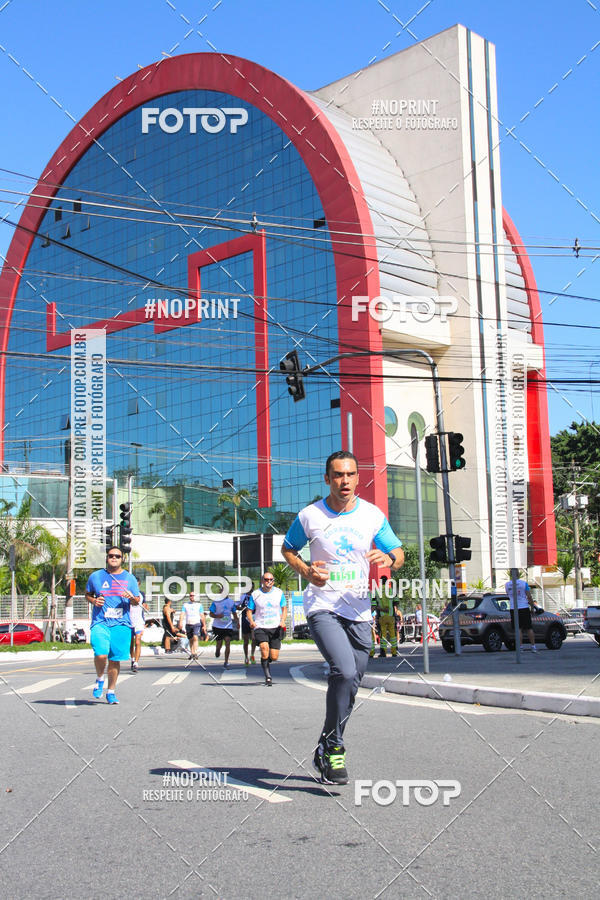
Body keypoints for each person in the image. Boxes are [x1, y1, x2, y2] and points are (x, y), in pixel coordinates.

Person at [282, 450, 403, 785]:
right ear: (327, 479)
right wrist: (307, 570)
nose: (344, 481)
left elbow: (399, 553)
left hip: (360, 609)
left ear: (357, 478)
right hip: (323, 606)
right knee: (344, 670)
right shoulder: (310, 516)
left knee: (353, 680)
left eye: (350, 474)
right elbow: (288, 549)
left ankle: (325, 742)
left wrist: (389, 558)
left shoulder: (372, 516)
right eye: (338, 475)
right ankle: (335, 748)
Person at [86, 546, 141, 704]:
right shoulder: (96, 576)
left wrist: (131, 597)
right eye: (111, 555)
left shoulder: (129, 578)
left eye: (117, 556)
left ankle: (111, 691)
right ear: (107, 557)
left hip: (121, 624)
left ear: (122, 559)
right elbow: (88, 595)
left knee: (114, 659)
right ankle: (99, 678)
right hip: (100, 622)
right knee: (101, 654)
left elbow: (137, 601)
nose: (114, 558)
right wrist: (94, 601)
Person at [246, 572, 287, 685]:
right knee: (264, 649)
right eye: (266, 579)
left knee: (273, 657)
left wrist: (282, 621)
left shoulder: (279, 593)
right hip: (261, 626)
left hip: (275, 626)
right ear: (262, 581)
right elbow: (249, 611)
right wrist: (252, 622)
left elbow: (284, 608)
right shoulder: (256, 594)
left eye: (271, 579)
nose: (269, 581)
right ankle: (268, 677)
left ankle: (266, 660)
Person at [505, 575, 537, 652]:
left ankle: (520, 647)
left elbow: (508, 594)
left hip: (513, 608)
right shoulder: (524, 583)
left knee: (518, 629)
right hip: (524, 607)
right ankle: (533, 646)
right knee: (529, 628)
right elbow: (529, 596)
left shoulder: (507, 584)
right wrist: (532, 607)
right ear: (518, 574)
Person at [209, 594, 239, 669]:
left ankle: (226, 661)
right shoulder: (216, 602)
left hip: (228, 626)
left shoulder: (231, 602)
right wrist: (217, 616)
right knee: (219, 643)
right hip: (218, 626)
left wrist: (237, 622)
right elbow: (211, 613)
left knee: (227, 642)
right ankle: (217, 650)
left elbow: (234, 613)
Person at [179, 591, 207, 659]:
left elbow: (202, 615)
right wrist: (180, 622)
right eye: (190, 595)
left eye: (193, 595)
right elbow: (182, 614)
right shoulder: (185, 605)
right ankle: (192, 653)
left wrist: (204, 625)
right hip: (188, 623)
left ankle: (195, 652)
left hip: (196, 623)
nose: (192, 597)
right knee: (190, 639)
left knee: (195, 637)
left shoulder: (199, 605)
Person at [236, 581, 256, 665]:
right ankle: (246, 657)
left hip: (254, 619)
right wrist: (242, 608)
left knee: (254, 638)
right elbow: (236, 606)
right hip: (245, 619)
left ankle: (252, 655)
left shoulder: (255, 596)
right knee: (246, 640)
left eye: (252, 586)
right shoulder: (243, 596)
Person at [377, 576, 397, 657]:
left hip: (382, 616)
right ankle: (394, 652)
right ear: (387, 582)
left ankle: (383, 652)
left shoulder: (377, 591)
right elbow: (396, 602)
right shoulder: (392, 591)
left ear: (380, 582)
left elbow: (374, 604)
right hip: (391, 616)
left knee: (383, 635)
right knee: (393, 634)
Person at [129, 592, 149, 672]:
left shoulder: (141, 594)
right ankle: (132, 659)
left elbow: (145, 605)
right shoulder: (127, 593)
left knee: (137, 642)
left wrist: (146, 607)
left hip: (139, 622)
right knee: (131, 643)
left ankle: (136, 663)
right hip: (129, 621)